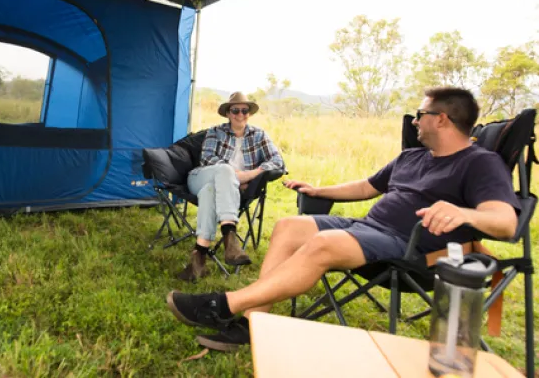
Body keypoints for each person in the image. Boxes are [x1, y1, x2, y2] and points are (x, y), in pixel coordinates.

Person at [166, 87, 519, 352]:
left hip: (410, 249)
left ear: (442, 118)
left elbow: (505, 222)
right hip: (369, 228)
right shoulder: (413, 156)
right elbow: (367, 186)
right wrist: (320, 190)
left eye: (420, 113)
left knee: (322, 244)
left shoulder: (479, 163)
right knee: (289, 226)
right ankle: (253, 324)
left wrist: (462, 212)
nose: (414, 120)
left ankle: (225, 304)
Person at [177, 91, 285, 282]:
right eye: (235, 110)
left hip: (220, 189)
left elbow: (277, 161)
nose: (240, 114)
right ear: (228, 113)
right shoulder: (215, 132)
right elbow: (208, 158)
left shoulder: (259, 135)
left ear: (249, 113)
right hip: (201, 177)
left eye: (244, 111)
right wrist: (236, 177)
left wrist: (250, 175)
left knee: (209, 193)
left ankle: (199, 258)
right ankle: (230, 236)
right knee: (224, 170)